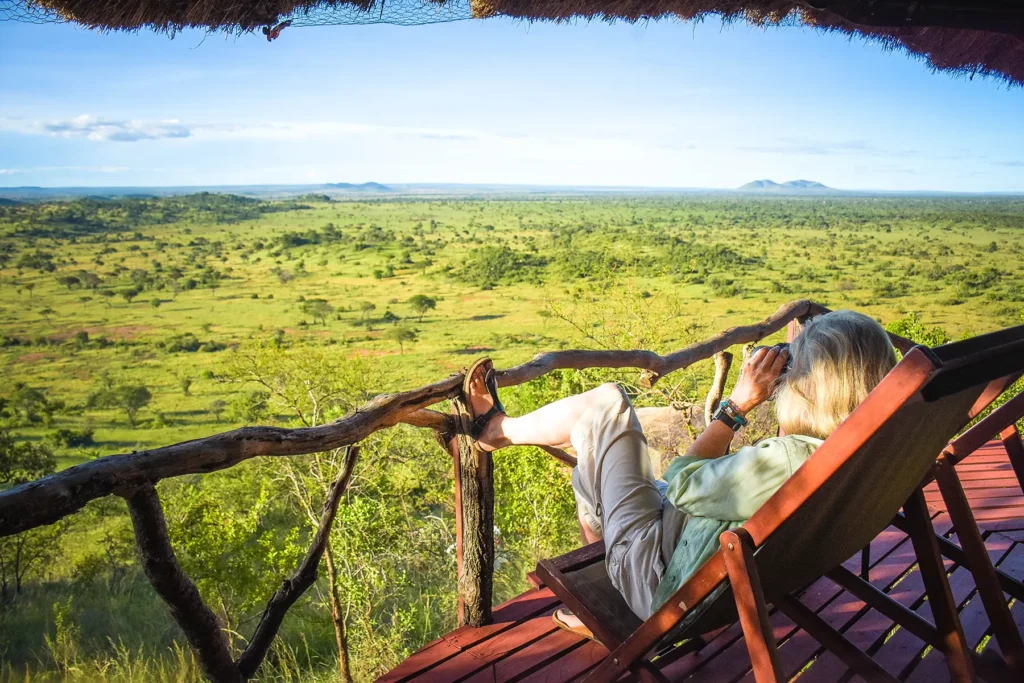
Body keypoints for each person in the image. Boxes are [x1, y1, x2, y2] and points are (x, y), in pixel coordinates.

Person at [464, 309, 897, 638]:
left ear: (809, 387)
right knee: (596, 457)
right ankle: (503, 434)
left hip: (665, 589)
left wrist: (737, 406)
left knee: (606, 404)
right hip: (727, 578)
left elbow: (682, 481)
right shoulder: (867, 451)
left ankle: (497, 432)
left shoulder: (789, 461)